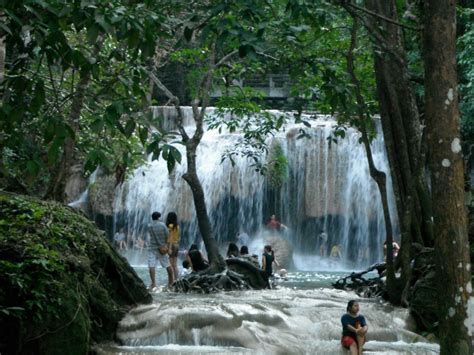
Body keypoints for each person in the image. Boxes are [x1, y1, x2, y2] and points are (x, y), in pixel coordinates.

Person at [147, 211, 174, 290]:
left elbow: (151, 236)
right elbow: (168, 236)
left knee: (151, 266)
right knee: (168, 265)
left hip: (152, 248)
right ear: (158, 217)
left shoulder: (149, 226)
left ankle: (153, 283)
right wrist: (168, 247)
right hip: (162, 249)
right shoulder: (162, 225)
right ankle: (171, 282)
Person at [166, 212, 180, 281]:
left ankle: (172, 281)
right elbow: (178, 237)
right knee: (175, 265)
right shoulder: (177, 226)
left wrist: (170, 248)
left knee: (171, 265)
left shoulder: (170, 226)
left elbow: (170, 237)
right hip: (177, 244)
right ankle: (176, 279)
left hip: (171, 245)